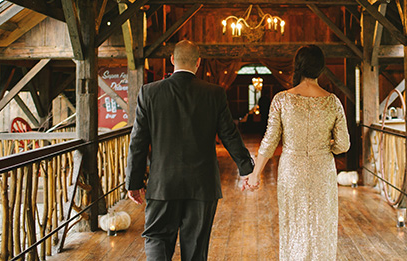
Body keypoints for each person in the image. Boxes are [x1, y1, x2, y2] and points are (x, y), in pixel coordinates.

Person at [126, 40, 254, 261]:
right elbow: (229, 135)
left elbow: (137, 142)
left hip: (163, 185)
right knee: (195, 249)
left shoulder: (149, 93)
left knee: (157, 239)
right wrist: (246, 169)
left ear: (172, 60)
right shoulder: (214, 93)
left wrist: (133, 182)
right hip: (202, 186)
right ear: (198, 63)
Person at [244, 45, 350, 260]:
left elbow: (270, 141)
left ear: (298, 67)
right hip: (322, 169)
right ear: (321, 68)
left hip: (292, 170)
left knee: (294, 223)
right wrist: (324, 145)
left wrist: (256, 173)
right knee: (322, 223)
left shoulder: (282, 100)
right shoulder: (333, 102)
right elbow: (343, 145)